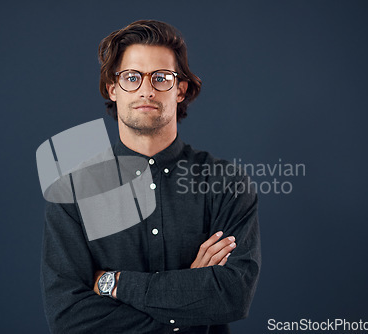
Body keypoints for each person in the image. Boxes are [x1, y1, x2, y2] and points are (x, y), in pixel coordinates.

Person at [41, 20, 261, 333]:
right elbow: (69, 319)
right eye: (132, 77)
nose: (146, 89)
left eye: (161, 78)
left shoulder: (226, 183)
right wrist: (188, 302)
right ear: (112, 88)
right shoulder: (72, 193)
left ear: (180, 89)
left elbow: (232, 296)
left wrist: (112, 283)